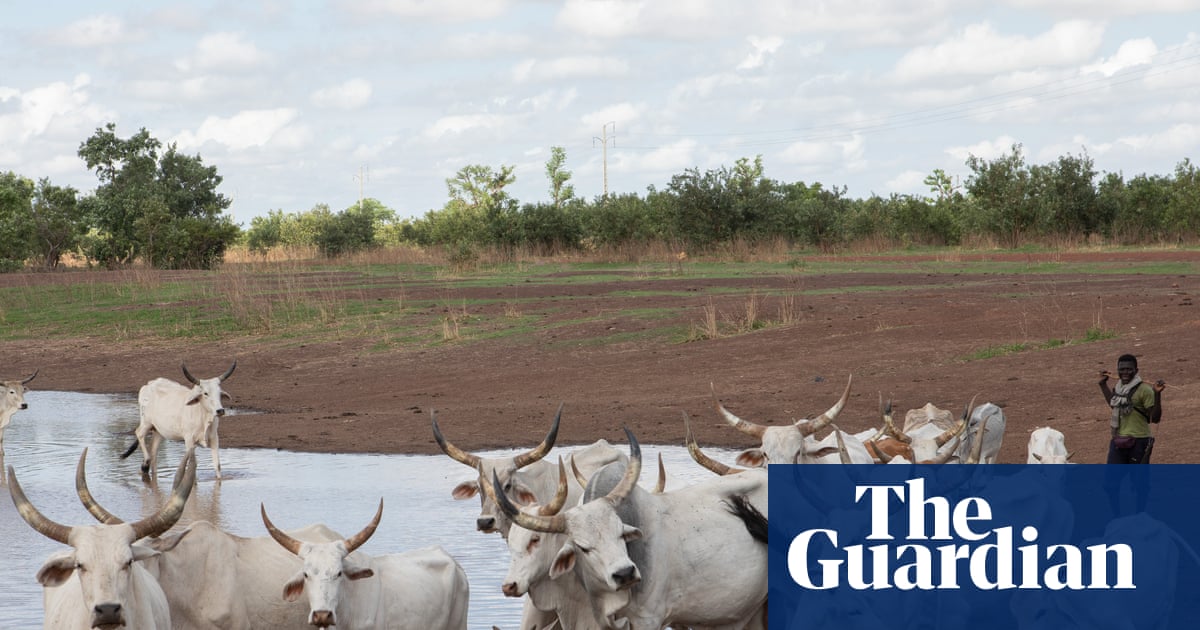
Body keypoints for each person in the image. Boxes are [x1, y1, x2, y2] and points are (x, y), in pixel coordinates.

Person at [1099, 353, 1165, 465]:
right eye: (1122, 369)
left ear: (1136, 370)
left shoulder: (1145, 390)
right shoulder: (1119, 388)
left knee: (1138, 481)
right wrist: (1103, 385)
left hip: (1139, 440)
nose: (1125, 373)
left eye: (1129, 369)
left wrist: (1157, 394)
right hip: (1118, 439)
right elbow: (1114, 405)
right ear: (1117, 370)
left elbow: (1155, 419)